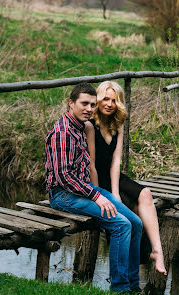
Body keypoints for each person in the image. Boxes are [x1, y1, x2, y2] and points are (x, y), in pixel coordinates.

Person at [45, 82, 143, 293]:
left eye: (91, 104)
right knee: (121, 225)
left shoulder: (81, 127)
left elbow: (89, 169)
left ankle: (134, 286)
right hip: (63, 195)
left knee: (135, 222)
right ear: (71, 103)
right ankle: (120, 288)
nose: (89, 109)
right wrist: (96, 195)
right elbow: (63, 177)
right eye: (84, 104)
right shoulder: (63, 132)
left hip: (83, 191)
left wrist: (100, 193)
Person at [84, 81, 167, 276]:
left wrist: (115, 192)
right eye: (105, 98)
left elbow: (116, 160)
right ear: (98, 99)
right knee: (128, 211)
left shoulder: (117, 124)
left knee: (145, 194)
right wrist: (102, 195)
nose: (109, 104)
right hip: (95, 178)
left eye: (114, 100)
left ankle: (157, 251)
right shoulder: (89, 126)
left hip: (113, 176)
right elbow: (92, 165)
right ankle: (128, 272)